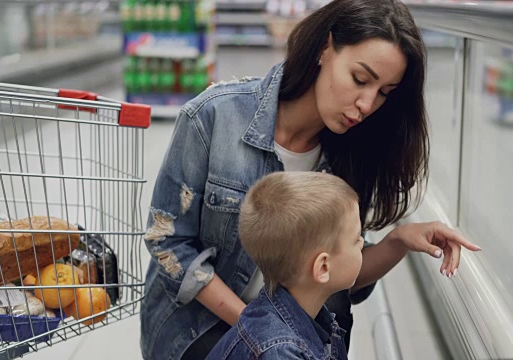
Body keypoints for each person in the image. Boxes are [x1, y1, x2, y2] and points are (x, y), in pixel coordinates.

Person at [139, 0, 481, 359]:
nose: (367, 104)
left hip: (288, 338)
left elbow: (336, 271)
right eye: (360, 79)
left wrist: (399, 242)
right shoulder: (214, 116)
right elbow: (168, 244)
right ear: (325, 49)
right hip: (198, 328)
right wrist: (258, 329)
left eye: (384, 93)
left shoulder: (351, 154)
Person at [206, 171, 362, 359]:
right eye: (355, 239)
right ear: (323, 267)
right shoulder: (279, 351)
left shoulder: (310, 317)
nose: (362, 242)